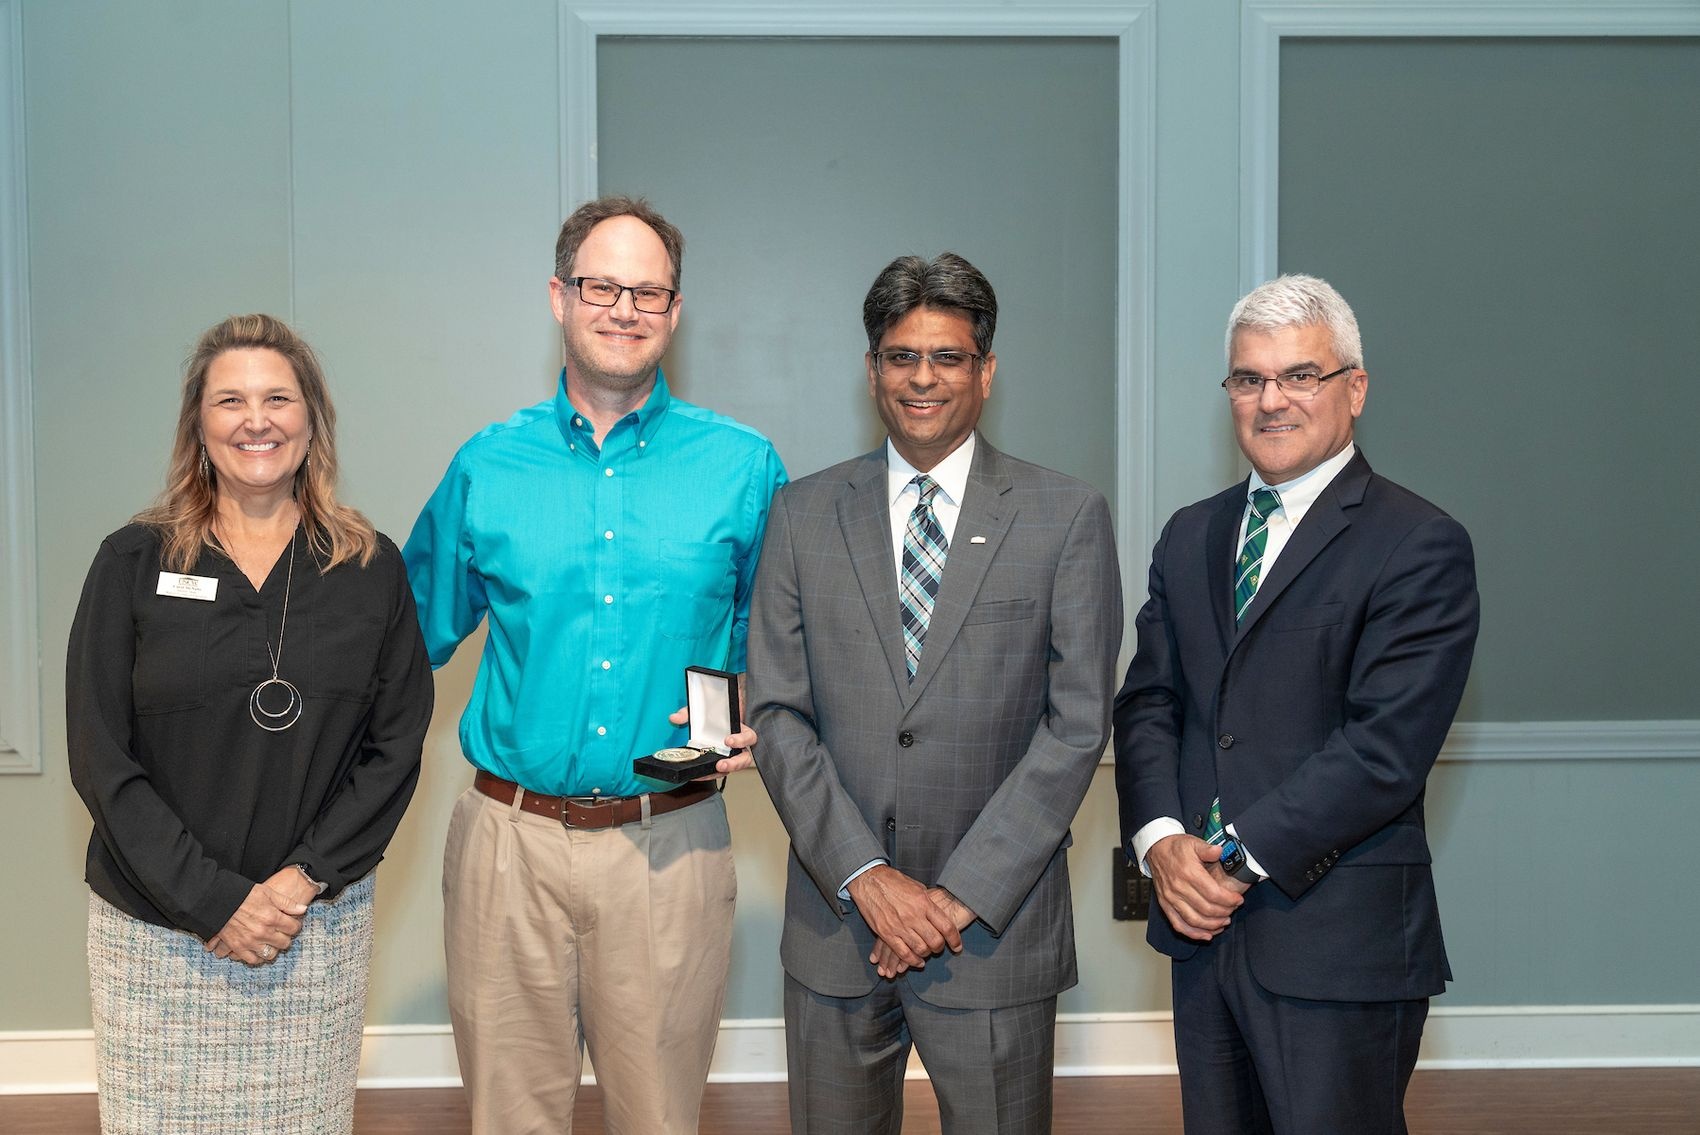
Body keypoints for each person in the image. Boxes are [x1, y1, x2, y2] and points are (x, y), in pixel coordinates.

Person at [403, 195, 786, 1134]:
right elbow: (398, 643)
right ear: (560, 297)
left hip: (671, 849)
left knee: (658, 1119)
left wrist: (763, 723)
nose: (624, 308)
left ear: (675, 309)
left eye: (647, 291)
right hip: (508, 846)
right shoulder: (487, 466)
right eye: (602, 286)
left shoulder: (744, 468)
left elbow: (788, 651)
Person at [749, 252, 1122, 1134]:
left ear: (986, 372)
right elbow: (775, 711)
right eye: (900, 355)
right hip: (838, 930)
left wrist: (952, 899)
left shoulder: (1065, 515)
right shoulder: (801, 515)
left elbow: (1075, 727)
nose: (922, 378)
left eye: (948, 357)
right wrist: (866, 876)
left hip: (993, 935)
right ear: (872, 367)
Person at [1113, 274, 1480, 1133]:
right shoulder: (1191, 533)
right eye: (1249, 378)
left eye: (1299, 376)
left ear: (1354, 387)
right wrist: (1162, 845)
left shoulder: (1418, 542)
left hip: (1337, 944)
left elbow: (1383, 749)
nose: (1271, 399)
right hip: (1199, 935)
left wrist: (1231, 862)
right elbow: (1149, 704)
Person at [66, 313, 434, 1134]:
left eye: (278, 397)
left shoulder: (370, 568)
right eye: (230, 399)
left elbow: (395, 745)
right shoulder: (132, 562)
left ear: (313, 421)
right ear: (199, 424)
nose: (255, 419)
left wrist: (298, 883)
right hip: (154, 937)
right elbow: (100, 756)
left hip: (311, 928)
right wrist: (213, 899)